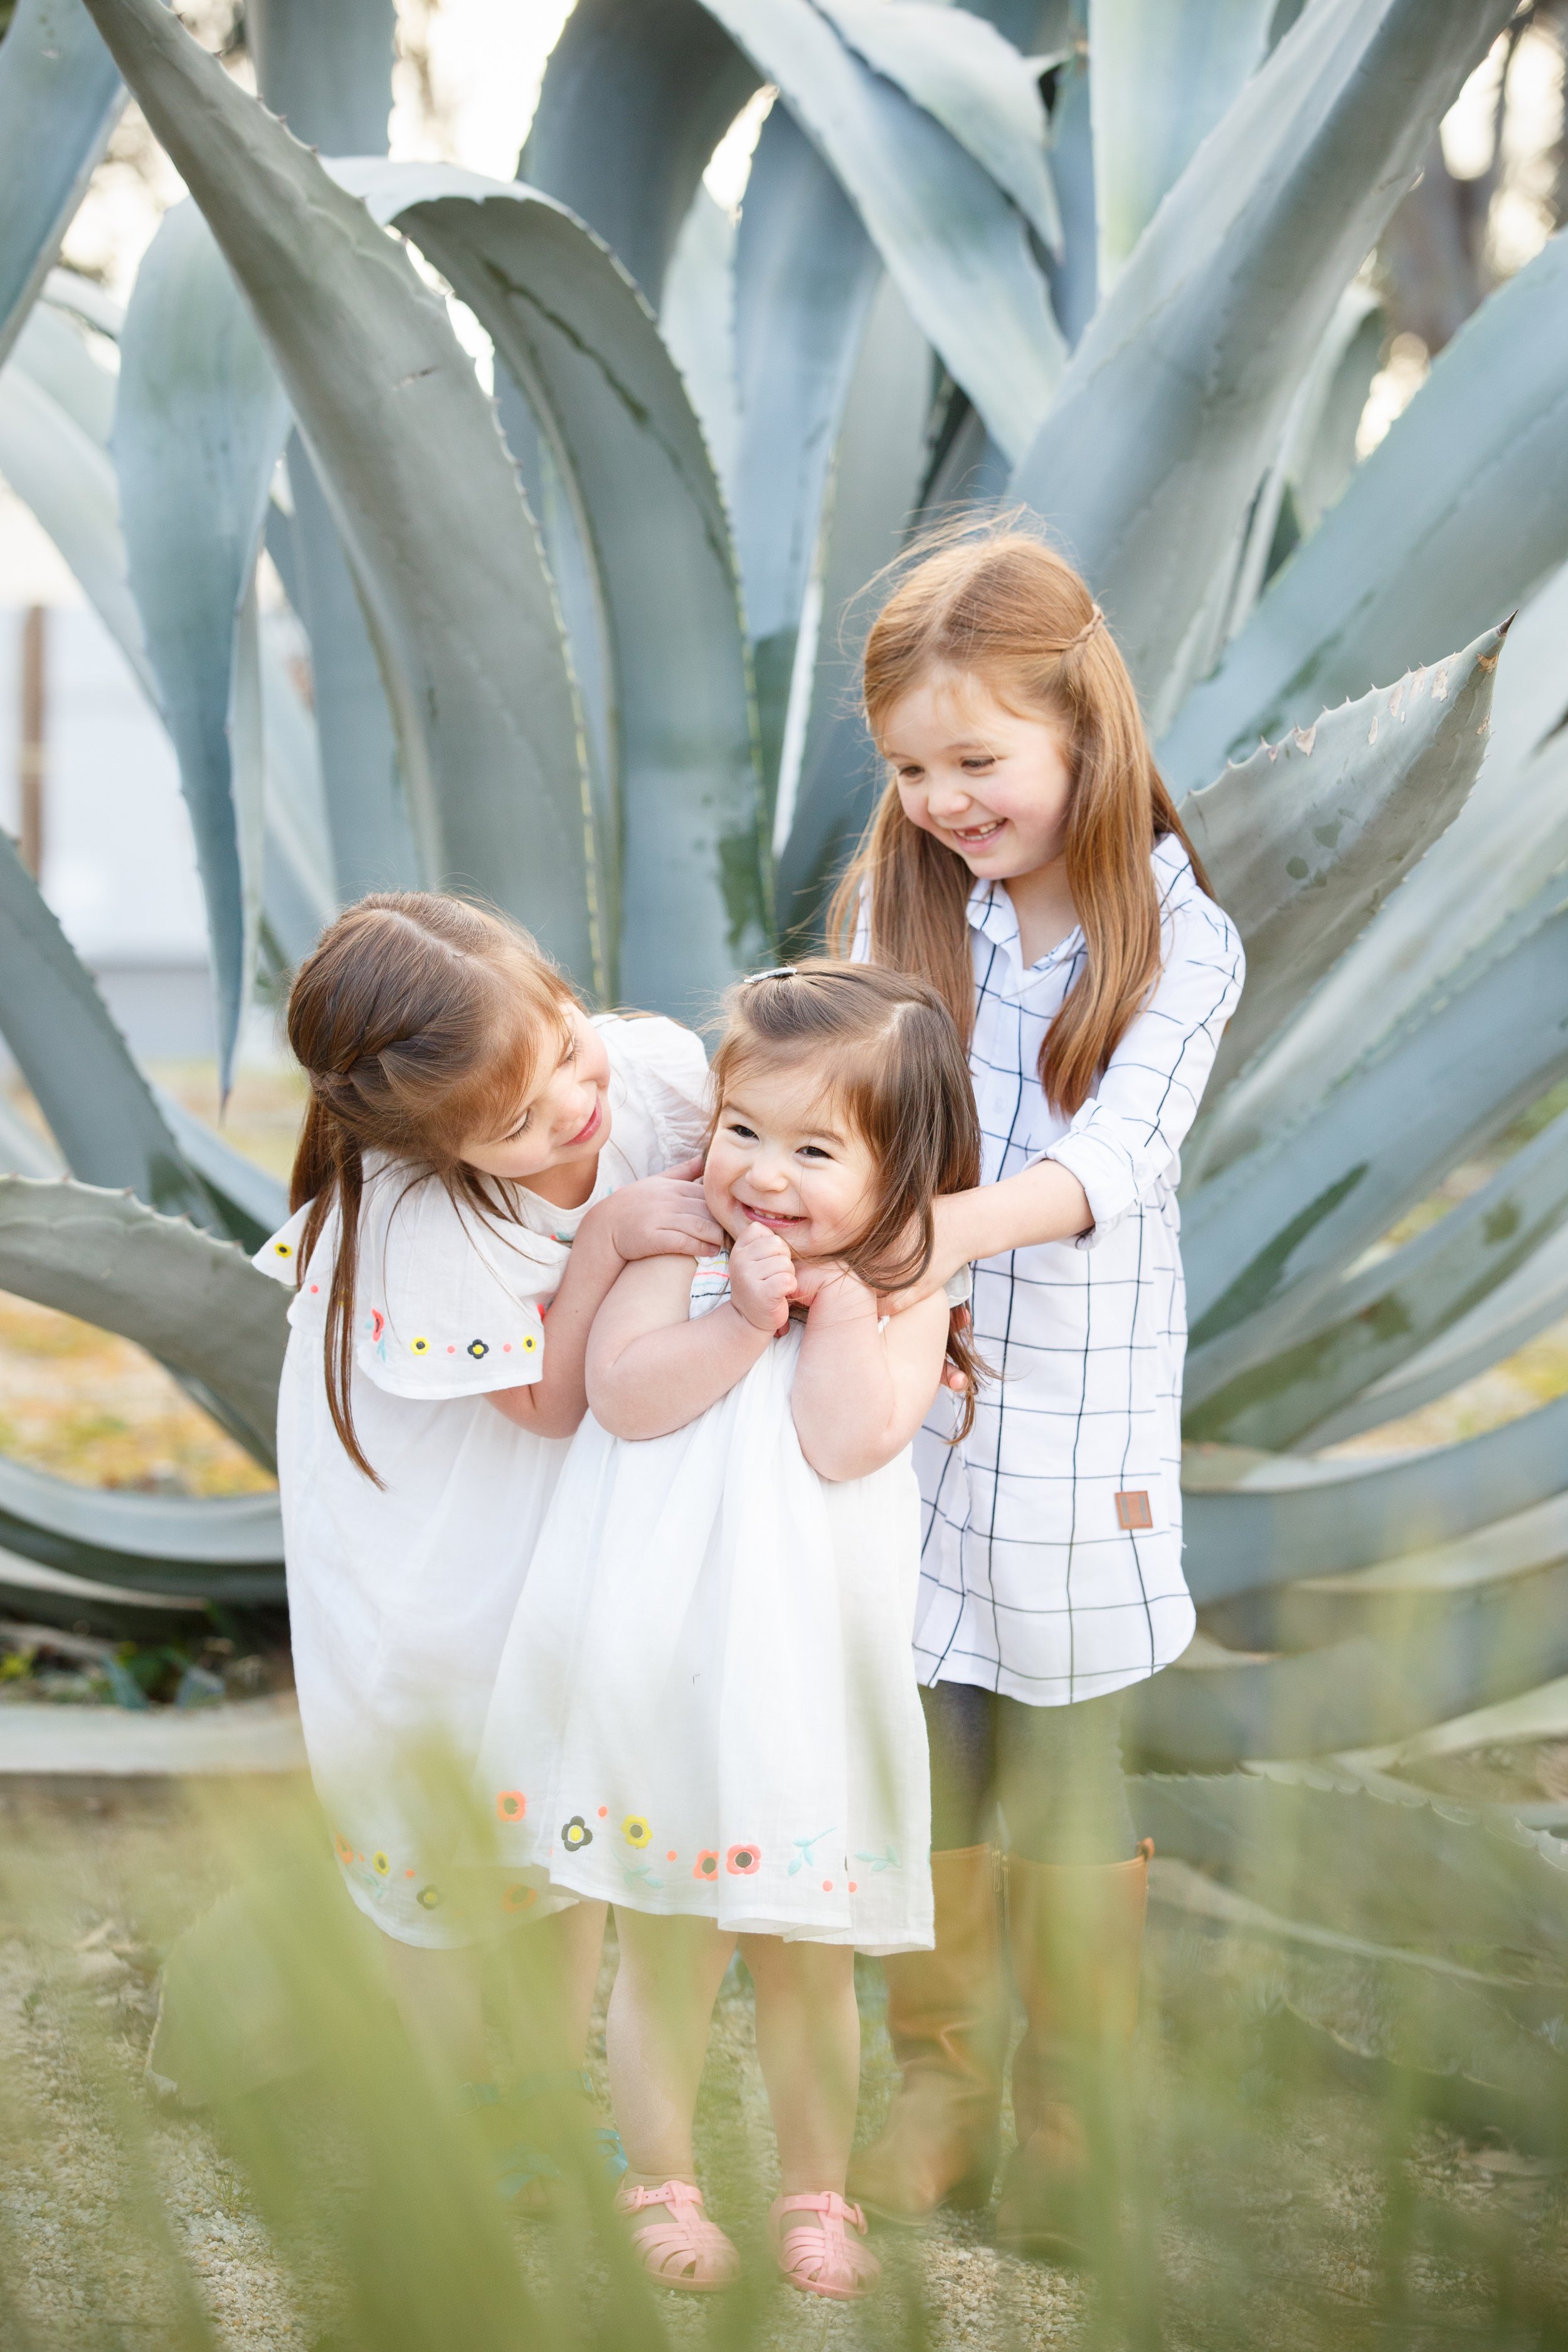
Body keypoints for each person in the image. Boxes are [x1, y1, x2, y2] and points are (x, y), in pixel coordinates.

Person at [831, 522, 1245, 2259]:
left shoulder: (1179, 942)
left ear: (1082, 724)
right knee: (924, 1743)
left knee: (1066, 1762)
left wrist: (932, 1228)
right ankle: (935, 2082)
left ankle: (1077, 2108)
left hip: (1076, 1435)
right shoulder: (900, 903)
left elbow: (1116, 1161)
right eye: (913, 767)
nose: (943, 797)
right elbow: (827, 1086)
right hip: (903, 1416)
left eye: (977, 759)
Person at [477, 962, 984, 2301]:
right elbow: (625, 1396)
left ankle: (815, 2196)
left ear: (902, 1170)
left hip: (798, 1682)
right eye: (742, 1132)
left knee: (807, 1962)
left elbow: (845, 1438)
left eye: (815, 1150)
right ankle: (660, 2179)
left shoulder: (906, 1283)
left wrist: (828, 1312)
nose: (763, 1174)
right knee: (664, 1947)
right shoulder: (679, 1250)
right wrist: (741, 1315)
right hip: (659, 1663)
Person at [253, 891, 721, 2185]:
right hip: (434, 1538)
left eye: (568, 1050)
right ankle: (452, 2108)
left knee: (562, 1787)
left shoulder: (656, 1076)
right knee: (445, 1808)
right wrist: (613, 1238)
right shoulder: (416, 1210)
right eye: (515, 1124)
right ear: (433, 1142)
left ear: (569, 997)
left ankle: (545, 2079)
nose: (574, 1108)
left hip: (564, 1515)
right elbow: (542, 1398)